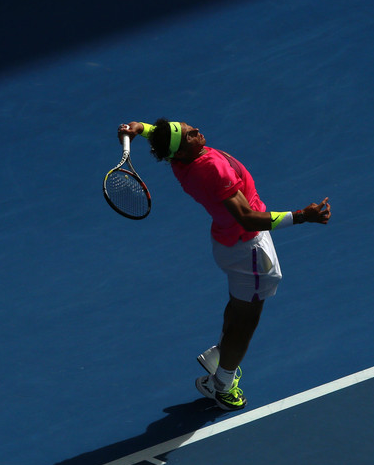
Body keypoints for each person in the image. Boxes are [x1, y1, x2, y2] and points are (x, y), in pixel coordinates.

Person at [117, 119, 331, 411]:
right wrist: (301, 216)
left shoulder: (181, 156)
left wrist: (138, 128)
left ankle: (220, 354)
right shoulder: (211, 169)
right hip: (249, 249)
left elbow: (161, 134)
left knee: (240, 306)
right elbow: (245, 216)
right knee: (246, 321)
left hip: (229, 243)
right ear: (180, 152)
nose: (196, 131)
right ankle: (222, 385)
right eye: (190, 134)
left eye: (189, 127)